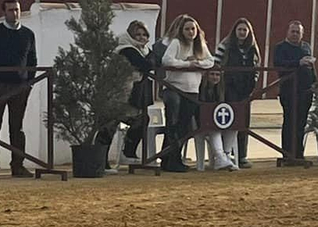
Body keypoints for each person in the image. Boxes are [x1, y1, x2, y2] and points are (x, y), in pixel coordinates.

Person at [0, 0, 38, 179]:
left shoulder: (28, 34)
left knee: (17, 127)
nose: (15, 13)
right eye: (11, 10)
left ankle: (17, 165)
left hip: (20, 87)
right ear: (4, 12)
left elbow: (32, 60)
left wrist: (29, 82)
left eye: (17, 9)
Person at [159, 14, 213, 172]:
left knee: (184, 127)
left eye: (193, 29)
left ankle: (171, 158)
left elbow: (210, 61)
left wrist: (197, 62)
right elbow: (167, 60)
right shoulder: (176, 43)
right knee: (173, 124)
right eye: (187, 29)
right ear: (181, 31)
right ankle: (170, 159)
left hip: (192, 90)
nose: (191, 32)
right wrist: (187, 64)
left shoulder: (200, 45)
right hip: (174, 88)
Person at [108, 20, 156, 166]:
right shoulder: (126, 49)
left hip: (133, 94)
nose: (141, 37)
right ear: (130, 35)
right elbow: (145, 64)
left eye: (144, 34)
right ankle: (102, 161)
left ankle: (128, 153)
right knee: (109, 125)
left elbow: (154, 61)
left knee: (141, 119)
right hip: (120, 93)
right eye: (137, 34)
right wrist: (150, 62)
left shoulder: (144, 50)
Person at [215, 16, 260, 169]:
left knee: (244, 122)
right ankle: (223, 155)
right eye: (239, 29)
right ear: (235, 31)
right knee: (227, 121)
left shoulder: (253, 47)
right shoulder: (225, 45)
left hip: (246, 90)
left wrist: (253, 84)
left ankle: (241, 155)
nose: (242, 32)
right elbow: (216, 64)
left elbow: (257, 67)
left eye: (244, 30)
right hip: (228, 88)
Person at [273, 19, 316, 163]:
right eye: (293, 31)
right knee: (289, 122)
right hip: (288, 92)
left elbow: (311, 68)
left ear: (302, 34)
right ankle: (287, 154)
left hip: (306, 91)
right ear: (287, 32)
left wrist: (315, 82)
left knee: (301, 123)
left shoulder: (306, 47)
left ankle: (298, 154)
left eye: (298, 32)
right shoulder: (280, 48)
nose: (295, 34)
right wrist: (298, 63)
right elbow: (278, 64)